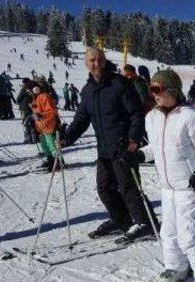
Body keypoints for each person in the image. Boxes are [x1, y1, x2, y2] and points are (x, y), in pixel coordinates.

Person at [132, 69, 195, 282]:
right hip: (166, 186)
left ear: (172, 90)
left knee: (189, 233)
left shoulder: (189, 116)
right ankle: (177, 266)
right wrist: (139, 156)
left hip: (187, 186)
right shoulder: (151, 117)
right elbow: (155, 148)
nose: (154, 95)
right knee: (168, 231)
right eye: (151, 90)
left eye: (157, 89)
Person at [60, 47, 155, 242]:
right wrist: (66, 138)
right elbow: (80, 120)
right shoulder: (87, 91)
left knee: (128, 187)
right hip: (104, 150)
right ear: (86, 63)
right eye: (92, 60)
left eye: (100, 59)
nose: (96, 63)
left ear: (104, 61)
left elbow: (136, 113)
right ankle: (123, 221)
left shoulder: (119, 83)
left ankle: (145, 223)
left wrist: (133, 139)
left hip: (123, 146)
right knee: (105, 189)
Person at [31, 81, 62, 172]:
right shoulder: (36, 98)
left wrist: (41, 115)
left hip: (48, 125)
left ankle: (59, 163)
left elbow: (52, 111)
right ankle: (51, 162)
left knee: (51, 145)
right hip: (41, 126)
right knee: (45, 146)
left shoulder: (44, 96)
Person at [16, 78, 36, 144]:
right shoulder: (33, 88)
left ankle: (28, 138)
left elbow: (18, 99)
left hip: (24, 108)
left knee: (25, 123)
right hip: (33, 108)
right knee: (33, 123)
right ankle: (35, 137)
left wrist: (20, 103)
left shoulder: (24, 89)